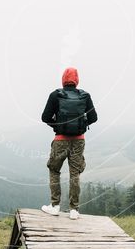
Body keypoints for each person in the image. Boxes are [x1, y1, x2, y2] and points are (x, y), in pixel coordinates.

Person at [40, 67, 97, 219]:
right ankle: (74, 210)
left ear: (63, 79)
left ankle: (55, 206)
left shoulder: (55, 95)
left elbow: (45, 117)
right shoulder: (85, 96)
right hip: (79, 140)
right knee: (75, 173)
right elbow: (94, 118)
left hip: (60, 140)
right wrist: (81, 125)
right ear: (77, 80)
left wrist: (57, 126)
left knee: (54, 170)